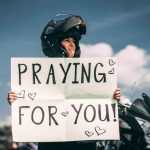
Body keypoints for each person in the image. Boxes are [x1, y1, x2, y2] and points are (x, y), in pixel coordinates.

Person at [8, 14, 121, 150]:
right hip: (53, 142)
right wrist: (17, 98)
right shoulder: (39, 76)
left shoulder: (88, 74)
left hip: (84, 141)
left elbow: (97, 102)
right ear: (54, 44)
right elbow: (32, 103)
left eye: (74, 40)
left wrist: (111, 97)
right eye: (67, 40)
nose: (72, 44)